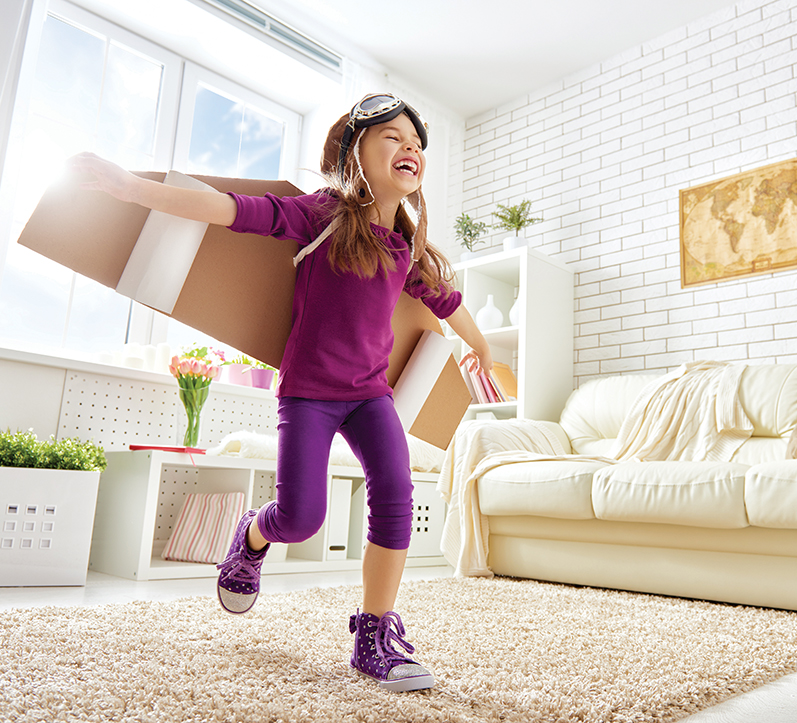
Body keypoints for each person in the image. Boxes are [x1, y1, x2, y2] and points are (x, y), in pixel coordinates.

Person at [71, 93, 492, 693]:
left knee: (396, 493)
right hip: (310, 394)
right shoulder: (322, 216)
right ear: (355, 154)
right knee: (301, 516)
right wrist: (131, 188)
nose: (410, 149)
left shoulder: (407, 250)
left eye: (417, 144)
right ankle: (251, 535)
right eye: (394, 138)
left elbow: (447, 302)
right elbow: (228, 210)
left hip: (371, 396)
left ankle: (374, 633)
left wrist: (479, 345)